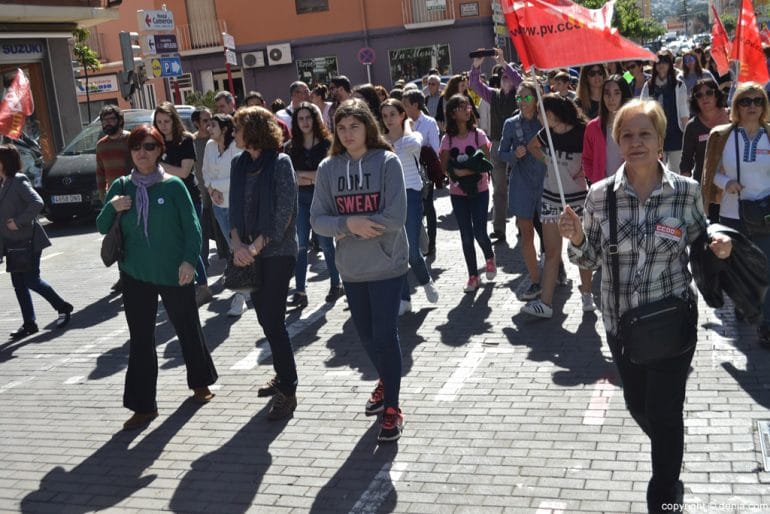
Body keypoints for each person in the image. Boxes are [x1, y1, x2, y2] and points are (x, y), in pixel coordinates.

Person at [559, 99, 732, 513]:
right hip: (621, 324)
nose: (635, 142)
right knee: (640, 406)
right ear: (618, 142)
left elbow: (700, 238)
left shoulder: (686, 192)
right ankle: (670, 459)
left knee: (665, 412)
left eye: (645, 134)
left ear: (660, 140)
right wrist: (578, 238)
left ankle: (665, 496)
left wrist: (718, 245)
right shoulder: (600, 196)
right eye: (627, 135)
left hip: (673, 321)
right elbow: (588, 260)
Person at [96, 125, 218, 431]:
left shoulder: (174, 186)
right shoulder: (121, 187)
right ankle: (143, 406)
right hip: (135, 275)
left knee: (188, 328)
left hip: (174, 272)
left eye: (149, 146)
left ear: (159, 150)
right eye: (137, 146)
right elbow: (101, 226)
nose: (142, 152)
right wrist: (112, 208)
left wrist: (190, 261)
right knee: (140, 340)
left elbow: (193, 228)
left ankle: (200, 383)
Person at [310, 98, 408, 442]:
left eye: (354, 126)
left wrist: (354, 225)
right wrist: (348, 223)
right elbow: (317, 220)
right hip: (351, 268)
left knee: (384, 335)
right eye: (341, 127)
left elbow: (396, 217)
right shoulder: (328, 168)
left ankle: (393, 407)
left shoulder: (387, 162)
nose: (348, 133)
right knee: (365, 337)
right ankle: (386, 379)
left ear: (368, 126)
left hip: (387, 264)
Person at [230, 106, 299, 420]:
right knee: (264, 318)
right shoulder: (238, 163)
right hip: (247, 251)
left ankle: (289, 387)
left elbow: (283, 214)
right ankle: (281, 374)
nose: (234, 134)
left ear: (254, 130)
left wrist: (254, 247)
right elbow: (233, 210)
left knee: (274, 320)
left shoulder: (281, 162)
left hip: (277, 252)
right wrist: (236, 244)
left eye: (238, 128)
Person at [702, 82, 770, 347]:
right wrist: (725, 183)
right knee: (738, 267)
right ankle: (744, 303)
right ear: (736, 106)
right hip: (733, 213)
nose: (752, 106)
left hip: (765, 214)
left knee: (766, 267)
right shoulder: (722, 136)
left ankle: (765, 324)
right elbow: (710, 173)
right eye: (746, 101)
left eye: (758, 101)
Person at [522, 94, 594, 318]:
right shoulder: (547, 134)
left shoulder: (582, 131)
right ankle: (545, 303)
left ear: (552, 114)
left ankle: (587, 295)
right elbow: (532, 146)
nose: (538, 118)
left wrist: (585, 169)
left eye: (541, 113)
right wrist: (548, 162)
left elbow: (593, 156)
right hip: (551, 198)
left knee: (580, 249)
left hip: (578, 199)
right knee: (552, 252)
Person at [0, 144, 73, 339]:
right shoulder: (4, 183)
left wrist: (18, 221)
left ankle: (63, 307)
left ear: (4, 162)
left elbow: (37, 202)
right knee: (18, 283)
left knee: (31, 279)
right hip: (13, 244)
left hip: (28, 240)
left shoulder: (18, 180)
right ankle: (29, 323)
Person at [380, 98, 439, 315]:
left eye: (393, 114)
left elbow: (414, 145)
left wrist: (406, 126)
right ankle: (404, 298)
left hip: (412, 195)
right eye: (385, 116)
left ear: (402, 115)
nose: (389, 120)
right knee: (398, 252)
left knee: (412, 251)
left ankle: (425, 281)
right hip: (390, 200)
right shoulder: (381, 142)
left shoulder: (411, 136)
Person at [283, 102, 343, 308]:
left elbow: (327, 175)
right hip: (299, 200)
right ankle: (300, 291)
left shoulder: (328, 143)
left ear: (315, 119)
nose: (305, 122)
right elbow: (290, 177)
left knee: (326, 244)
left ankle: (336, 284)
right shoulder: (290, 147)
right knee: (300, 245)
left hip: (322, 199)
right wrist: (311, 177)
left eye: (309, 117)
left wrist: (305, 176)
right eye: (300, 118)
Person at [154, 102, 213, 306]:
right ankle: (182, 284)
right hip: (164, 200)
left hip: (189, 198)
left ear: (174, 120)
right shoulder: (154, 141)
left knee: (190, 243)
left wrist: (158, 165)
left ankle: (203, 287)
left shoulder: (185, 140)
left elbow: (184, 172)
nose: (163, 125)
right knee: (173, 244)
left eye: (166, 121)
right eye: (159, 121)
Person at [440, 94, 496, 292]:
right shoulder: (448, 139)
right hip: (458, 193)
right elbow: (444, 166)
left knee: (480, 231)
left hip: (479, 190)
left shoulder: (478, 134)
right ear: (453, 113)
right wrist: (455, 174)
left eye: (468, 107)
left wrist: (466, 171)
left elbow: (487, 163)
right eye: (462, 107)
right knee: (465, 235)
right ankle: (473, 276)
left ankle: (489, 257)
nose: (467, 110)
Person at [498, 81, 547, 301]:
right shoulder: (510, 124)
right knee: (526, 232)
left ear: (537, 99)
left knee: (549, 232)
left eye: (527, 98)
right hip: (521, 184)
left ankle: (557, 267)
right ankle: (536, 280)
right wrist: (513, 155)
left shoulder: (545, 120)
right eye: (520, 98)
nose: (522, 102)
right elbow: (501, 152)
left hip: (546, 182)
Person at [469, 49, 522, 244]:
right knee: (499, 188)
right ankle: (499, 229)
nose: (506, 79)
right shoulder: (494, 95)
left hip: (518, 145)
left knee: (518, 186)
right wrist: (477, 65)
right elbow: (474, 84)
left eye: (508, 76)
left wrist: (504, 62)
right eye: (503, 76)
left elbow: (522, 83)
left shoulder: (522, 95)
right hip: (499, 144)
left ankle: (522, 226)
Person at [201, 113, 246, 316]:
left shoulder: (236, 147)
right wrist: (211, 189)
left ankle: (241, 295)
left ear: (225, 128)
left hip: (237, 205)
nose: (209, 129)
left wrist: (216, 186)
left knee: (240, 248)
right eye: (208, 125)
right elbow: (205, 172)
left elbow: (237, 178)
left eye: (213, 125)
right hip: (218, 205)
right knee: (232, 248)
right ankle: (246, 288)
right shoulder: (210, 146)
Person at [95, 105, 132, 293]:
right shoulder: (101, 145)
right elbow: (100, 173)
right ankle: (123, 276)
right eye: (104, 120)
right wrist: (103, 197)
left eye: (111, 119)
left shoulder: (131, 139)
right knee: (117, 238)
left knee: (132, 237)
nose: (107, 123)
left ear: (119, 120)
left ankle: (134, 275)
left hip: (132, 195)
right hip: (113, 199)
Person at [680, 79, 728, 222]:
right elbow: (686, 161)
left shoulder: (732, 118)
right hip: (705, 187)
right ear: (695, 100)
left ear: (717, 95)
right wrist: (685, 193)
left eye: (709, 92)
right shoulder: (692, 126)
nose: (704, 97)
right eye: (699, 95)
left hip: (731, 185)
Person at [403, 89, 441, 257]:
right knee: (413, 209)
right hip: (408, 172)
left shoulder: (429, 123)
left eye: (405, 104)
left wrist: (418, 149)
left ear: (415, 105)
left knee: (428, 206)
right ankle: (417, 243)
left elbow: (435, 148)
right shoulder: (402, 122)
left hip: (425, 172)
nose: (403, 107)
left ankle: (431, 243)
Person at [641, 50, 690, 173]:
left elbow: (684, 114)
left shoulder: (679, 85)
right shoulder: (648, 86)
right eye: (658, 62)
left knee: (676, 172)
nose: (661, 65)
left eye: (665, 62)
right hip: (655, 136)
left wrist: (687, 136)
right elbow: (642, 111)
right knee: (656, 172)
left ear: (670, 65)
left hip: (676, 135)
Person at [582, 74, 634, 184]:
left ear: (623, 95)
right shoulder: (592, 127)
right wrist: (595, 179)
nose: (611, 98)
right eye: (607, 93)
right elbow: (587, 159)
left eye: (616, 93)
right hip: (603, 188)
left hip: (630, 187)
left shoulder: (635, 125)